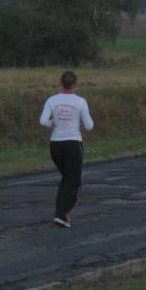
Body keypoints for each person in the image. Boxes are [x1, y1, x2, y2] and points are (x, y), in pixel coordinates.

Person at [39, 71, 94, 228]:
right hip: (73, 143)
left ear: (61, 83)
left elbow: (43, 121)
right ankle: (62, 213)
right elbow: (89, 126)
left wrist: (54, 123)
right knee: (74, 180)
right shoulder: (80, 102)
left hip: (55, 144)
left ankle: (61, 211)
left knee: (67, 177)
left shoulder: (52, 100)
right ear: (75, 84)